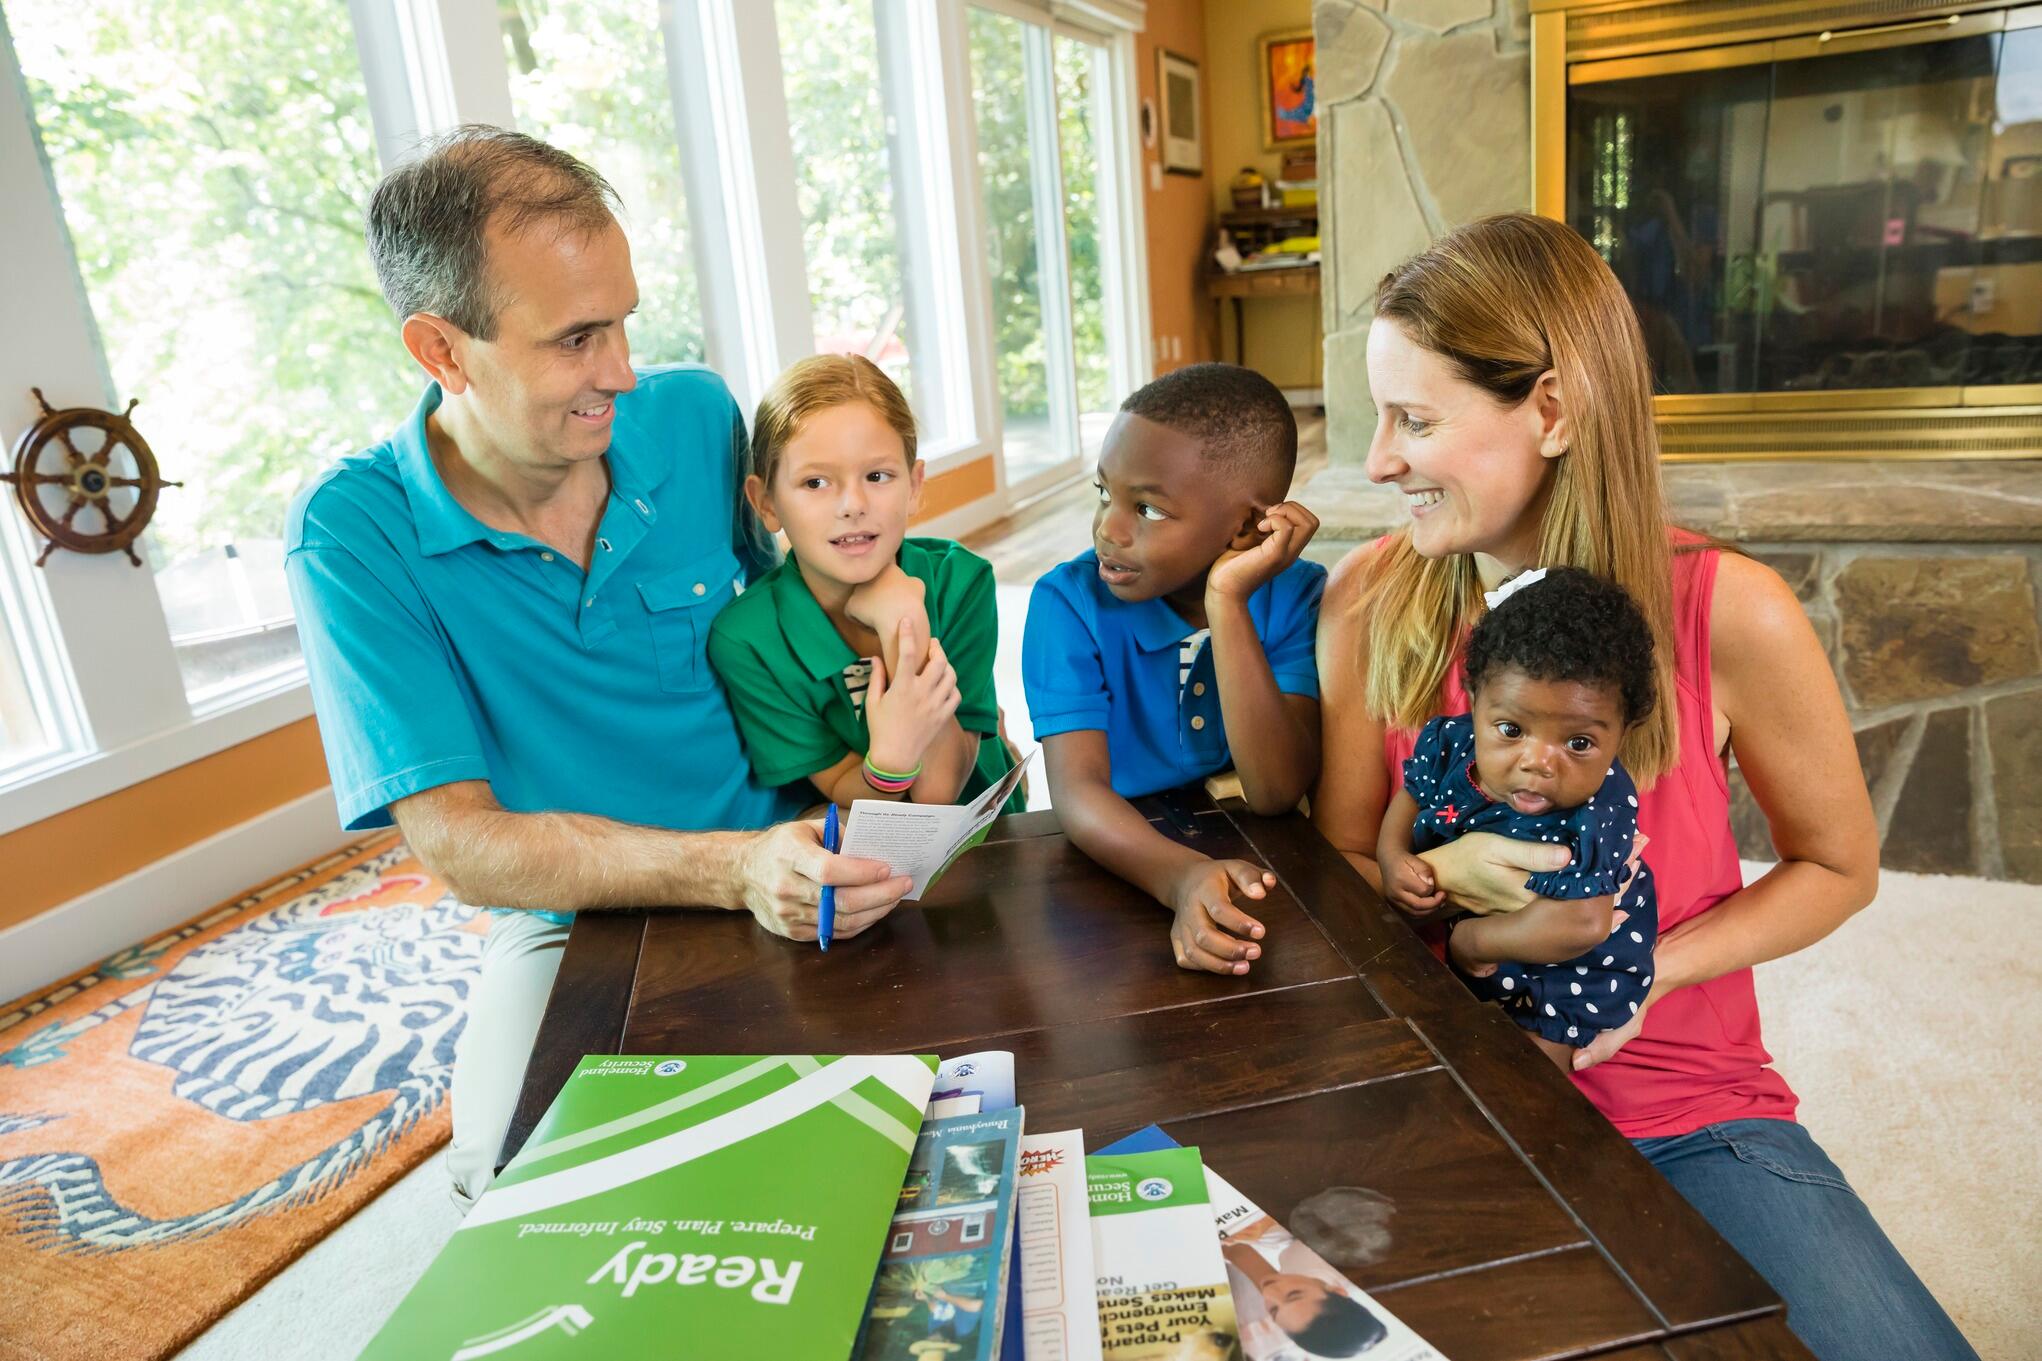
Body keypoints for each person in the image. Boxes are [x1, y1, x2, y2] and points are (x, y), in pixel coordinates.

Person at [1312, 212, 1975, 1361]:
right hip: (1436, 1090)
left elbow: (1838, 865)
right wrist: (1430, 894)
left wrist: (1636, 974)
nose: (1374, 462)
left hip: (1682, 1106)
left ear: (1555, 412)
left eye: (1413, 420)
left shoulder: (1730, 609)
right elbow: (1334, 884)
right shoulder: (1369, 599)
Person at [284, 126, 911, 1208]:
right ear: (441, 351)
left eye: (622, 321)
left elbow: (793, 612)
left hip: (811, 852)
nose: (619, 372)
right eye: (575, 338)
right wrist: (730, 869)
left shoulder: (695, 416)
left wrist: (876, 599)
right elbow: (465, 847)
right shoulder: (352, 535)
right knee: (514, 1201)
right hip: (580, 925)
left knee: (933, 1130)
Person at [1022, 363, 1324, 977]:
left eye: (1150, 510)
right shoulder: (1068, 603)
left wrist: (1229, 603)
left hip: (1252, 863)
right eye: (1105, 493)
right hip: (1112, 866)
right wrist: (1181, 877)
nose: (1109, 528)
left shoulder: (1297, 595)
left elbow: (1274, 791)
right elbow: (1078, 793)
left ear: (1245, 526)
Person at [707, 354, 1019, 811]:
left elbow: (939, 792)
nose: (853, 504)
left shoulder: (961, 583)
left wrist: (904, 625)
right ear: (766, 502)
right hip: (872, 857)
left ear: (913, 486)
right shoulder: (747, 640)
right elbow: (839, 785)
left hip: (995, 841)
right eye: (815, 483)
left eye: (877, 476)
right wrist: (890, 762)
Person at [1378, 566, 1658, 1072]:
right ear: (1475, 696)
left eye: (1578, 743)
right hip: (1471, 961)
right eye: (1511, 729)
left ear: (1623, 732)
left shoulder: (1602, 809)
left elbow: (1584, 923)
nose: (1538, 762)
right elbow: (1411, 797)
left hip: (1568, 977)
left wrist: (1471, 943)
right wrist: (1392, 856)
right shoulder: (1451, 743)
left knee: (1511, 1093)